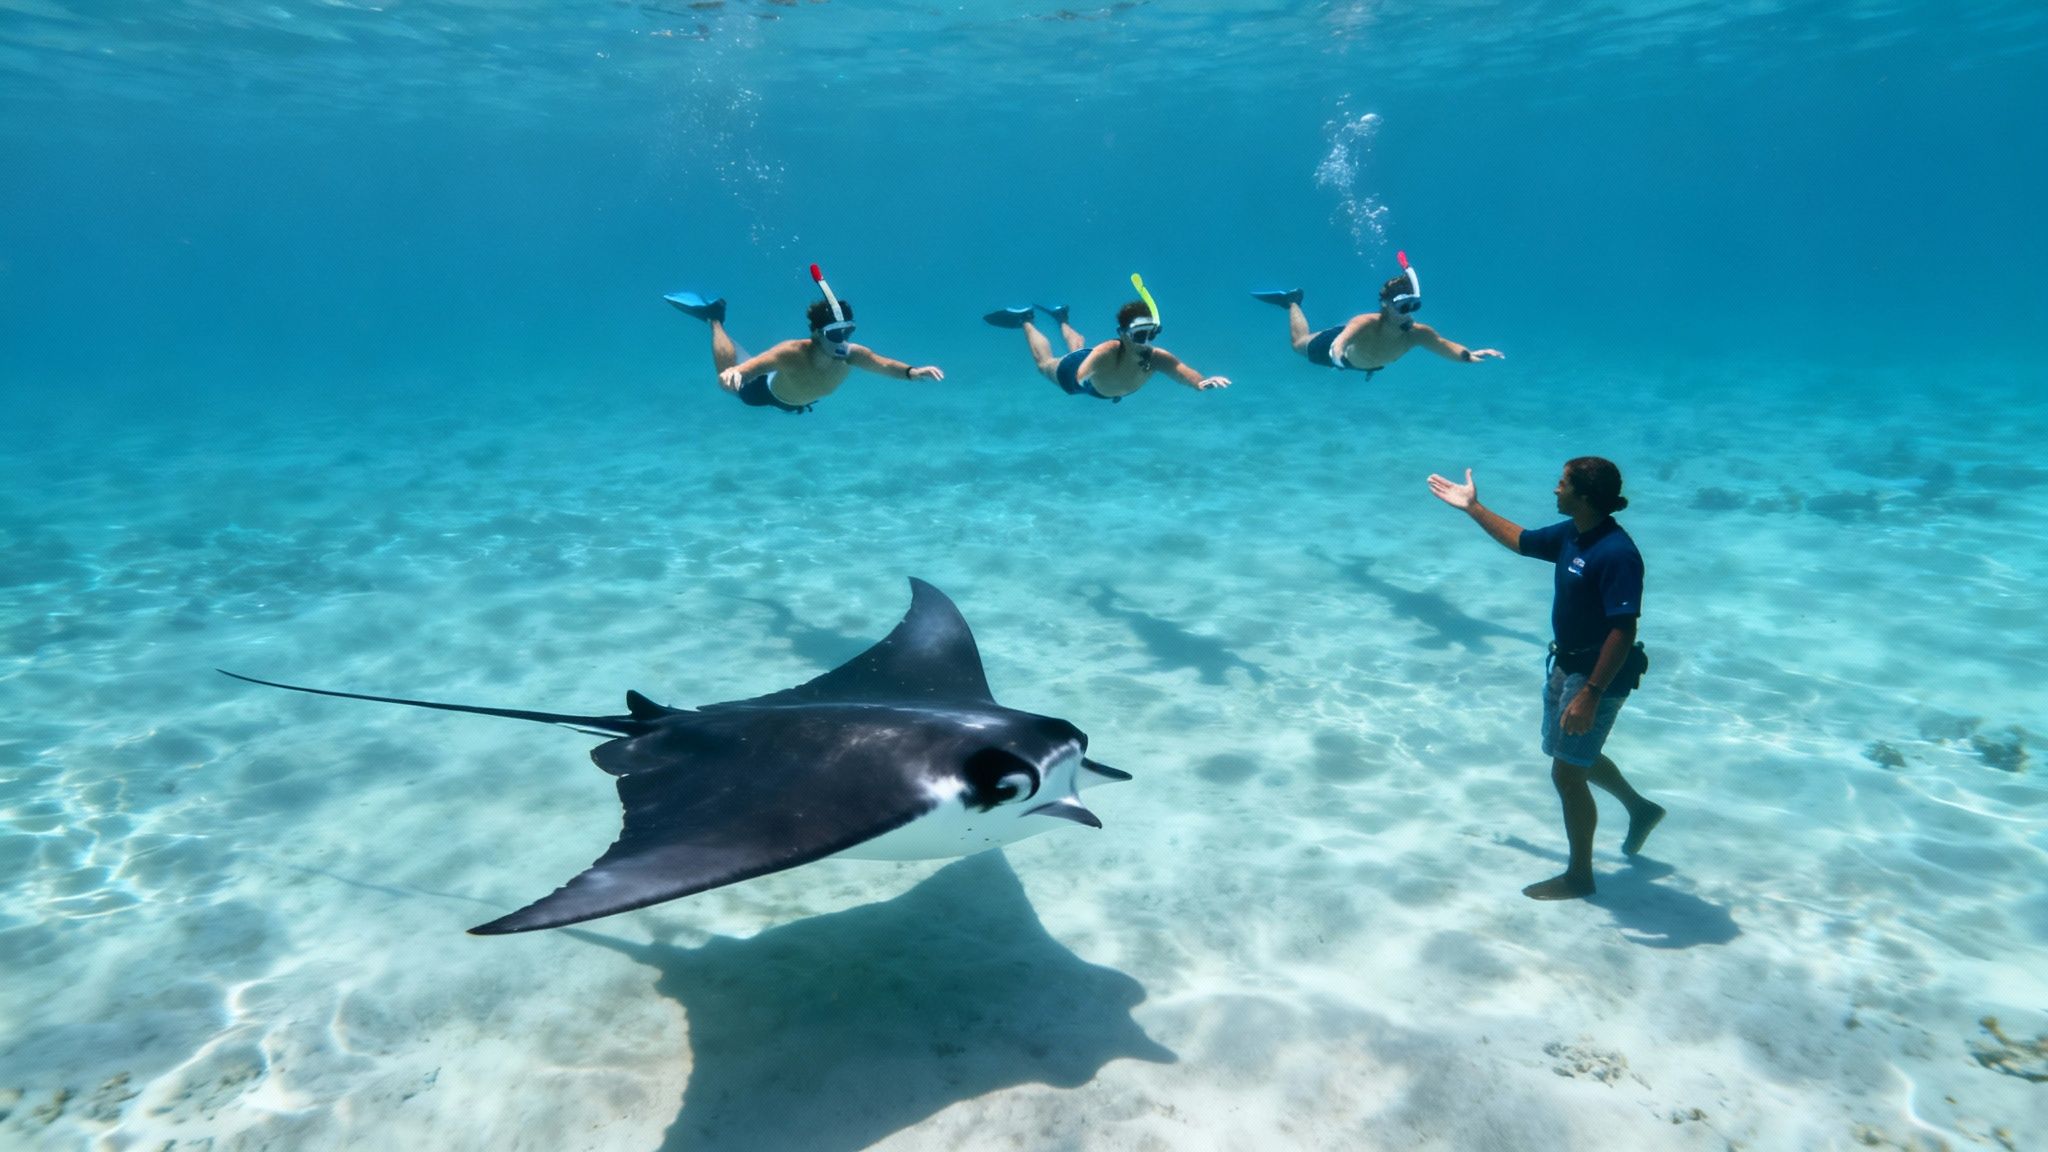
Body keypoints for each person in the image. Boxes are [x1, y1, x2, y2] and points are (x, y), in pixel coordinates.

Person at [1426, 457, 1665, 900]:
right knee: (1569, 754)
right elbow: (1523, 541)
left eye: (1562, 483)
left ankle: (1580, 876)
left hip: (1597, 676)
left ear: (1584, 496)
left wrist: (1591, 693)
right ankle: (1641, 809)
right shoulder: (1575, 533)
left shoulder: (1616, 553)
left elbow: (1623, 630)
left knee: (1567, 774)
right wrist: (1473, 508)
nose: (1555, 490)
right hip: (1567, 665)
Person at [665, 291, 944, 413]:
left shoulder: (851, 354)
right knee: (731, 380)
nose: (842, 341)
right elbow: (753, 367)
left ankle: (716, 322)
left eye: (848, 331)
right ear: (816, 334)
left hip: (796, 401)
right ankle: (714, 318)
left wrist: (912, 372)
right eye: (835, 334)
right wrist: (735, 373)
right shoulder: (792, 353)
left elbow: (883, 364)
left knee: (741, 365)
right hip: (765, 393)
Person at [1252, 258, 1502, 380]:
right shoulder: (1366, 322)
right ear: (1386, 306)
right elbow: (1341, 342)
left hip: (1363, 363)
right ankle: (1292, 301)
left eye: (1414, 306)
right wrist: (1336, 356)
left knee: (1366, 361)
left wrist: (1468, 355)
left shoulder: (1417, 334)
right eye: (1403, 307)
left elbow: (1444, 346)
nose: (1409, 313)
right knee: (1298, 345)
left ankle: (1293, 302)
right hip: (1339, 346)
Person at [982, 301, 1229, 402]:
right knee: (1044, 364)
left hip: (1098, 379)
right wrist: (1080, 379)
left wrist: (1200, 383)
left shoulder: (1156, 358)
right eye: (1139, 335)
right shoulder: (1109, 349)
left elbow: (1181, 371)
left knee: (1079, 349)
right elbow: (1081, 373)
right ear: (1123, 334)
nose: (1146, 342)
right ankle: (1025, 320)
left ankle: (1061, 317)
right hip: (1078, 376)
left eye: (1151, 334)